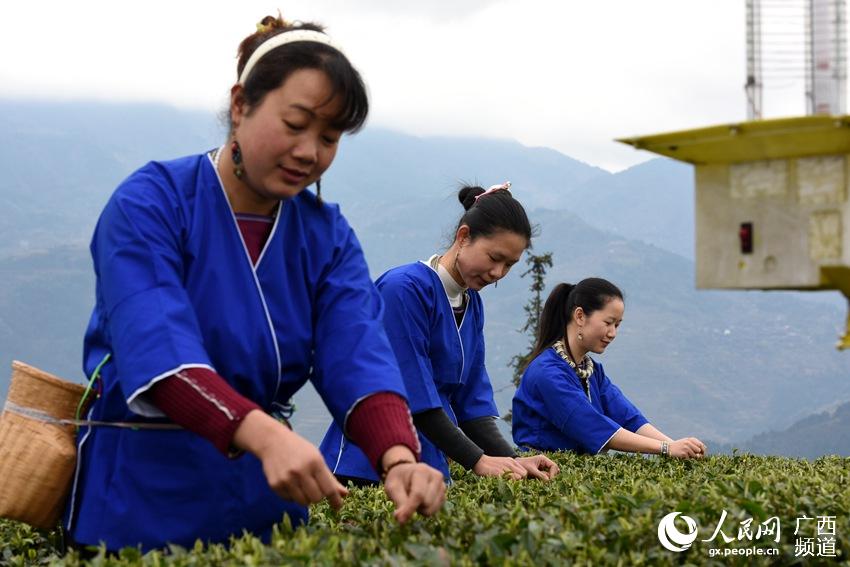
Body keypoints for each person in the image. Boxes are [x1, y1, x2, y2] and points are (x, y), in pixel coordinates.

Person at [64, 15, 445, 552]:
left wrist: (399, 456)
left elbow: (356, 353)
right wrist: (267, 436)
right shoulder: (151, 203)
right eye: (296, 125)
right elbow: (158, 350)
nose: (311, 152)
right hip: (139, 502)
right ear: (241, 104)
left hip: (264, 506)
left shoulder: (326, 236)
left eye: (330, 137)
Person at [321, 183, 559, 483]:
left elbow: (471, 404)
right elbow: (412, 396)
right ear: (464, 237)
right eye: (493, 257)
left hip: (427, 471)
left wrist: (513, 460)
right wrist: (478, 460)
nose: (498, 273)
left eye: (509, 265)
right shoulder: (404, 290)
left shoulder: (471, 305)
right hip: (367, 467)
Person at [512, 278, 708, 459]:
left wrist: (676, 446)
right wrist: (666, 448)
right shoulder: (547, 373)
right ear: (580, 316)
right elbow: (592, 425)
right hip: (542, 473)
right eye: (608, 323)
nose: (613, 333)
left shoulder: (591, 370)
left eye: (617, 325)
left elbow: (628, 418)